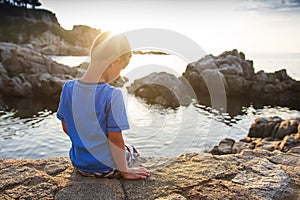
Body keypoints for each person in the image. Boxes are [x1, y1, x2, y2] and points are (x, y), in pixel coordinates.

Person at [56, 32, 150, 180]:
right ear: (114, 62)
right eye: (121, 68)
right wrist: (124, 170)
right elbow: (115, 138)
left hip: (79, 164)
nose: (119, 74)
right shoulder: (112, 95)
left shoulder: (68, 88)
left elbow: (65, 126)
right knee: (131, 151)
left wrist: (87, 143)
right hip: (104, 167)